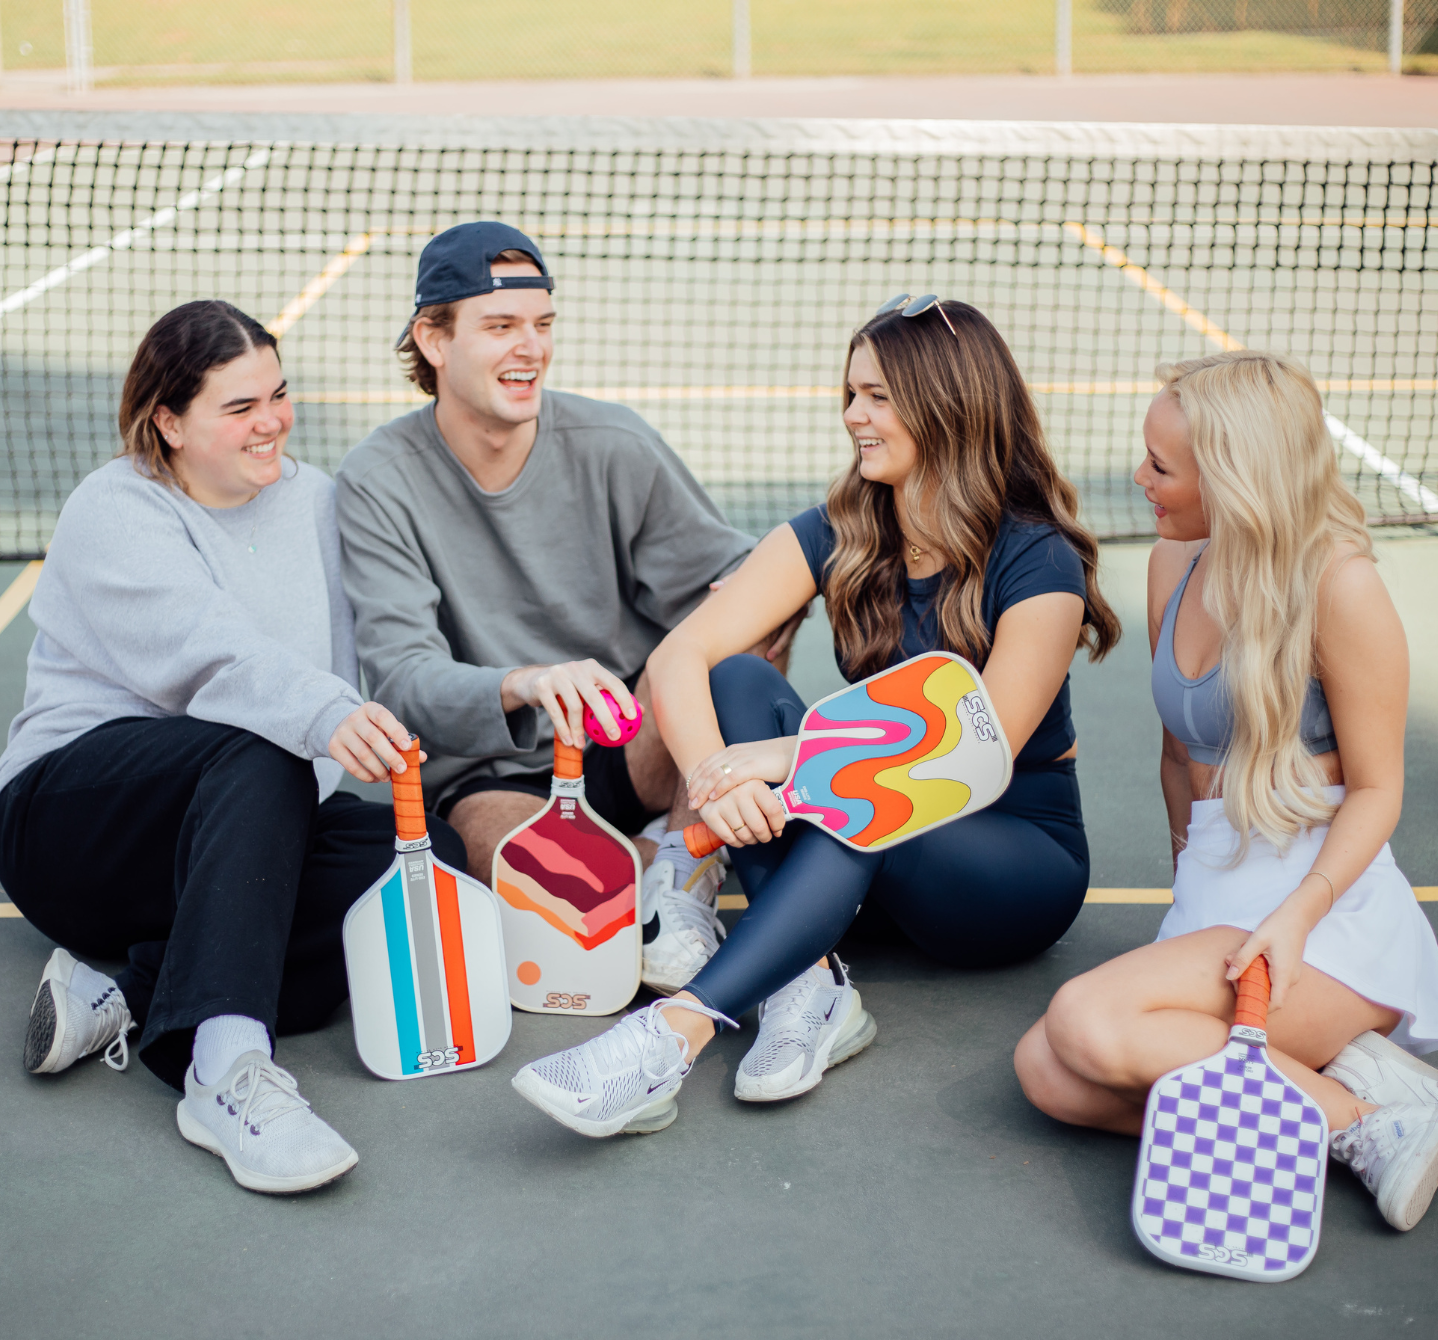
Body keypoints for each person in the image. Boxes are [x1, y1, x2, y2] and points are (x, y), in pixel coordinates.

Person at [510, 294, 1121, 1137]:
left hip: (1008, 862)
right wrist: (709, 780)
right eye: (850, 394)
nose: (853, 417)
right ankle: (811, 984)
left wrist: (781, 761)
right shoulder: (847, 527)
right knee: (736, 678)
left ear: (946, 402)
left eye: (876, 396)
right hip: (871, 827)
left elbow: (977, 748)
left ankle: (672, 1035)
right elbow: (677, 657)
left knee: (857, 794)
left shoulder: (1037, 558)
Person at [3, 300, 466, 1195]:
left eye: (280, 395)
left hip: (231, 826)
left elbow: (399, 647)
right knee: (258, 745)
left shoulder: (319, 502)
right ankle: (223, 1067)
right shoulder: (116, 506)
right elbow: (211, 656)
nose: (273, 423)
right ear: (170, 423)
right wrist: (325, 715)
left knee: (420, 860)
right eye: (240, 407)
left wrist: (524, 688)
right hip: (72, 825)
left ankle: (131, 995)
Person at [1014, 351, 1438, 1232]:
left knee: (1087, 1023)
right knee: (1046, 1075)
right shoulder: (1176, 566)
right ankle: (1341, 1086)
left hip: (1327, 915)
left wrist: (1295, 915)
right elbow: (1180, 757)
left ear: (1236, 479)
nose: (1139, 480)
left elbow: (1378, 789)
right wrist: (1187, 881)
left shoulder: (1340, 587)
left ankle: (1372, 1124)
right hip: (1222, 889)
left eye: (1162, 467)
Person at [335, 221, 795, 997]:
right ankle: (670, 857)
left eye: (543, 325)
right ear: (434, 339)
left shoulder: (615, 444)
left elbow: (749, 590)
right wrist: (524, 682)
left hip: (631, 740)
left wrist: (726, 635)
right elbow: (403, 681)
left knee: (747, 626)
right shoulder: (377, 480)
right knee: (558, 899)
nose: (532, 349)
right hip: (492, 776)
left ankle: (681, 868)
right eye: (502, 326)